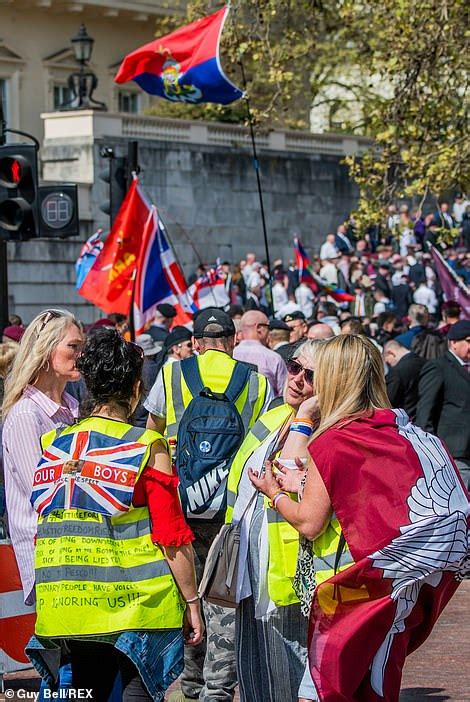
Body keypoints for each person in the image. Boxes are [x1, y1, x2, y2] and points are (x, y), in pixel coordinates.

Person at [250, 334, 468, 702]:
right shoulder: (404, 432)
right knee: (375, 685)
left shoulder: (335, 440)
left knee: (321, 691)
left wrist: (274, 493)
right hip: (400, 585)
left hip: (347, 587)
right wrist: (307, 479)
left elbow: (309, 521)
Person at [27, 328, 203, 701]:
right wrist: (192, 601)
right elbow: (171, 535)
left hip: (66, 607)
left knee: (89, 690)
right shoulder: (145, 446)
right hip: (136, 608)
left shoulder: (54, 444)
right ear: (136, 389)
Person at [145, 307, 271, 702]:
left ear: (196, 342)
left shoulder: (171, 373)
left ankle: (189, 685)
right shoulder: (256, 382)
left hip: (180, 508)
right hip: (231, 511)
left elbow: (151, 438)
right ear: (233, 340)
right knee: (224, 603)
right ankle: (218, 691)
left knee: (187, 596)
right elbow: (264, 446)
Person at [226, 341, 320, 702]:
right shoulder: (273, 416)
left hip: (289, 575)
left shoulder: (318, 426)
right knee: (253, 673)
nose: (297, 380)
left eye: (310, 376)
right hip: (250, 563)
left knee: (287, 679)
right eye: (294, 367)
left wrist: (306, 416)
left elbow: (293, 479)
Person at [2, 309, 83, 605]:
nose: (81, 355)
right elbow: (44, 494)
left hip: (76, 548)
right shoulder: (26, 415)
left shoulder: (73, 407)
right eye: (73, 347)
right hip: (47, 556)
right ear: (46, 349)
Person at [415, 320, 470, 489]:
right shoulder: (438, 367)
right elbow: (425, 412)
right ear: (453, 342)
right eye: (468, 341)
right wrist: (433, 451)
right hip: (454, 454)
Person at [234, 311, 287, 397]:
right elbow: (283, 395)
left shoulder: (229, 355)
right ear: (259, 328)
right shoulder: (273, 358)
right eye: (268, 327)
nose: (269, 332)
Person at [383, 340, 425, 420]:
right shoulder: (426, 363)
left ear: (390, 353)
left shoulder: (396, 373)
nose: (389, 364)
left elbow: (388, 403)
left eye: (388, 361)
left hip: (407, 422)